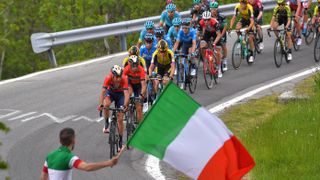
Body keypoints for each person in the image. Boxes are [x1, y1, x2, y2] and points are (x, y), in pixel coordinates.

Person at [40, 128, 125, 180]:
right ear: (73, 140)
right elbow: (87, 167)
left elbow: (43, 178)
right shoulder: (69, 157)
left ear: (60, 141)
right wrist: (109, 163)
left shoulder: (49, 156)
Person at [98, 65, 129, 148]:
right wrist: (101, 104)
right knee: (106, 105)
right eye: (116, 77)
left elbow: (126, 93)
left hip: (120, 95)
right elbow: (103, 91)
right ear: (112, 75)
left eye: (119, 77)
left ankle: (121, 140)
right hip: (110, 93)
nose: (118, 79)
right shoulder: (108, 78)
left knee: (120, 119)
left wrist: (125, 105)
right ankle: (106, 122)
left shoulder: (124, 78)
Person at [123, 55, 147, 123]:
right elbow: (122, 82)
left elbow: (143, 85)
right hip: (130, 84)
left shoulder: (141, 70)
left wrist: (141, 95)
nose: (135, 67)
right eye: (133, 65)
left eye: (136, 65)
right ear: (129, 64)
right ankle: (126, 110)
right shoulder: (126, 69)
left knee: (139, 107)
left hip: (138, 86)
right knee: (129, 94)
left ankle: (140, 125)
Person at [199, 11, 223, 77]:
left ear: (210, 19)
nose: (206, 21)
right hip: (207, 33)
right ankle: (206, 62)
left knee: (217, 51)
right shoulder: (201, 22)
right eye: (205, 20)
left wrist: (214, 43)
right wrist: (199, 38)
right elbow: (198, 34)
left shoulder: (215, 22)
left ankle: (219, 68)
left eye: (208, 20)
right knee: (202, 46)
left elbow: (219, 35)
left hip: (216, 34)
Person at [210, 1, 228, 72]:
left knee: (223, 45)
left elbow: (225, 27)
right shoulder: (209, 16)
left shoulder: (222, 16)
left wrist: (222, 35)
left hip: (221, 31)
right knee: (212, 46)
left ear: (217, 9)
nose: (213, 11)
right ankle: (214, 61)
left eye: (214, 9)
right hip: (214, 32)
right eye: (211, 9)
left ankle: (224, 60)